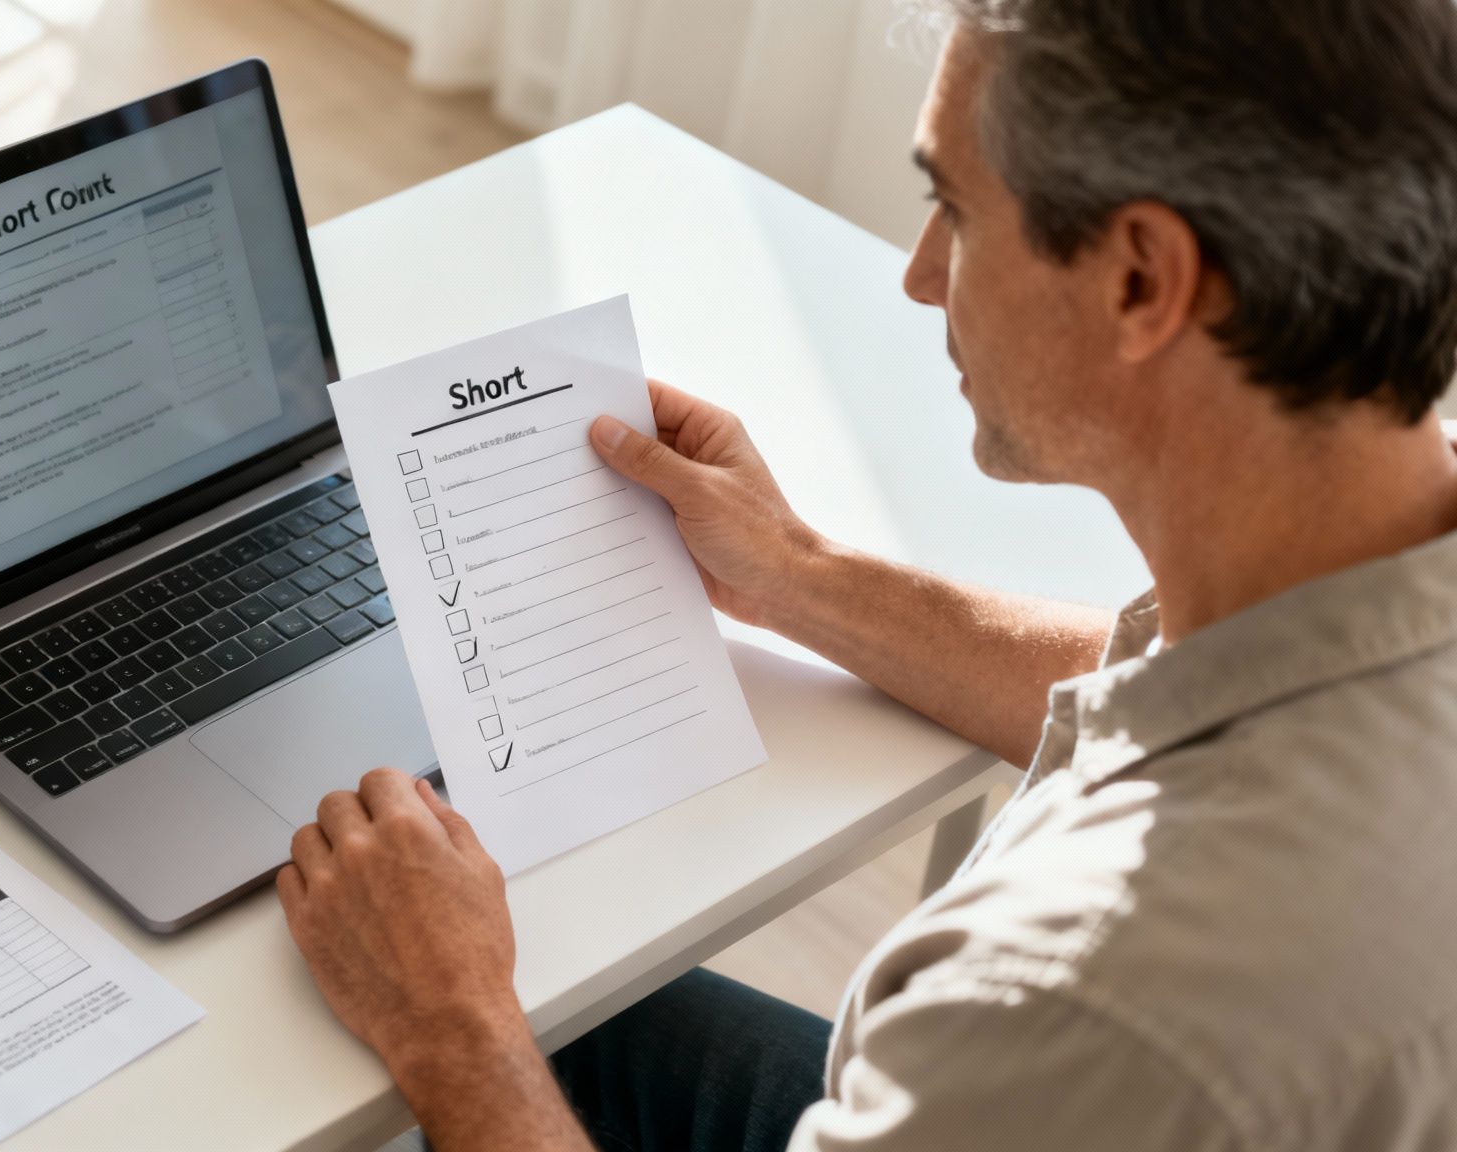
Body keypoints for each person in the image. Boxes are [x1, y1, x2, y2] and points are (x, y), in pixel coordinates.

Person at [275, 0, 1457, 1147]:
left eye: (952, 207)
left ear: (1140, 280)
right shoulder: (1366, 560)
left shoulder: (1076, 993)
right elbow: (1173, 674)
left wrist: (450, 1031)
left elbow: (1067, 1024)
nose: (920, 273)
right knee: (591, 1015)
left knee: (493, 1020)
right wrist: (792, 574)